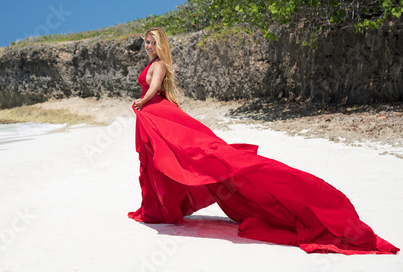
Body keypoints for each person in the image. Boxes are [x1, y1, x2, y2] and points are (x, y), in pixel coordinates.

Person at [128, 27, 399, 255]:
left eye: (152, 42)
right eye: (146, 42)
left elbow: (153, 89)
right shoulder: (151, 64)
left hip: (156, 112)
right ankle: (158, 209)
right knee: (154, 161)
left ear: (161, 45)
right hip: (151, 115)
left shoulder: (160, 65)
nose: (148, 46)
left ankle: (162, 209)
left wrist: (142, 100)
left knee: (193, 155)